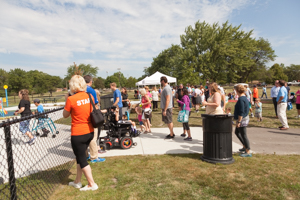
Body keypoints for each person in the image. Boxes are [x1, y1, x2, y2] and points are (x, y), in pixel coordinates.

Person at [64, 75, 100, 191]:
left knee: (82, 160)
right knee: (80, 157)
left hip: (78, 133)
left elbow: (65, 115)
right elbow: (91, 110)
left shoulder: (71, 99)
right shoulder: (89, 96)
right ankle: (77, 181)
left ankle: (91, 184)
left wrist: (67, 100)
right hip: (89, 131)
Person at [84, 75, 104, 163]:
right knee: (93, 137)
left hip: (83, 116)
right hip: (91, 115)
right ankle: (94, 157)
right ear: (90, 81)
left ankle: (85, 155)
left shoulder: (78, 90)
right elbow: (95, 104)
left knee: (85, 137)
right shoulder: (91, 90)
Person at [234, 84, 251, 157]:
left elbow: (241, 111)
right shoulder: (245, 98)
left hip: (242, 119)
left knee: (243, 134)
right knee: (237, 132)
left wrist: (239, 121)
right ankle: (244, 146)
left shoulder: (241, 99)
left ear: (237, 91)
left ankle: (248, 151)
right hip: (244, 118)